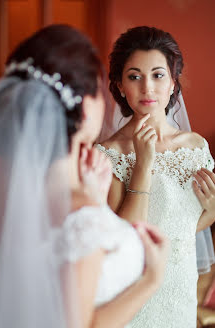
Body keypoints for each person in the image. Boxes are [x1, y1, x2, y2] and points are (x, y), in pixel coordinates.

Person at [0, 24, 169, 328]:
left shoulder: (11, 198)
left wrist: (95, 198)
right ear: (86, 106)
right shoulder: (82, 216)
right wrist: (151, 280)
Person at [97, 26, 215, 328]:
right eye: (135, 76)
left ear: (173, 83)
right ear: (120, 86)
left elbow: (179, 226)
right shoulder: (108, 154)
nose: (147, 87)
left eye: (158, 75)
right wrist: (143, 164)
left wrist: (212, 212)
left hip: (181, 289)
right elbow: (124, 235)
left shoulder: (196, 146)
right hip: (134, 293)